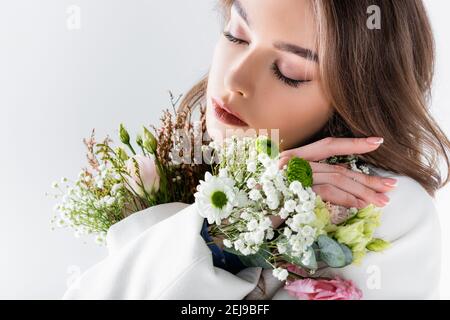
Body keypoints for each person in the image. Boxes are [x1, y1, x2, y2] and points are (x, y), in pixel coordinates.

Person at [62, 0, 448, 299]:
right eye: (237, 35)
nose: (234, 77)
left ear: (356, 99)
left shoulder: (385, 206)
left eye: (289, 72)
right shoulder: (183, 170)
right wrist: (233, 228)